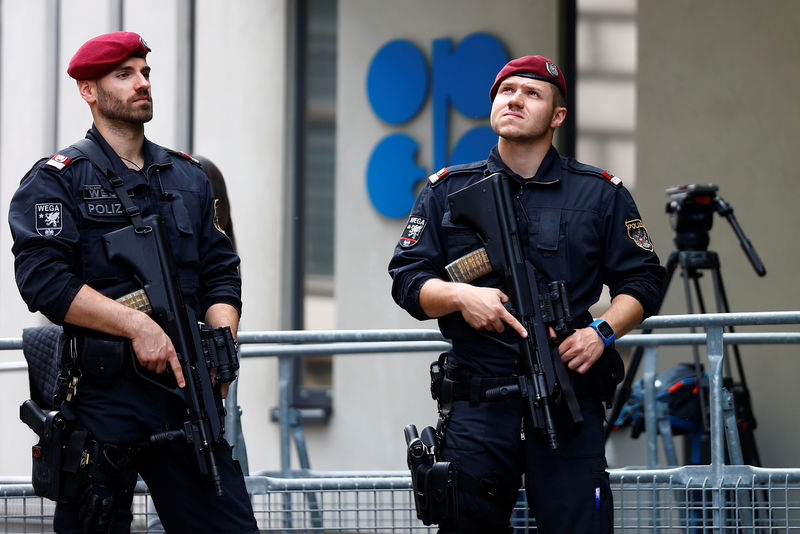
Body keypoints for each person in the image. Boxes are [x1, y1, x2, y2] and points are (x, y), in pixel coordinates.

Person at [388, 55, 666, 534]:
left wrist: (601, 331)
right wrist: (460, 297)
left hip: (566, 400)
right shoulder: (445, 190)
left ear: (557, 116)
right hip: (478, 406)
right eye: (506, 91)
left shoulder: (600, 194)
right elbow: (407, 279)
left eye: (532, 93)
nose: (514, 99)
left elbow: (643, 280)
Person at [8, 32, 258, 534]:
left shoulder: (188, 177)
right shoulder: (57, 180)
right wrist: (136, 327)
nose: (142, 82)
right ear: (89, 90)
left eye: (145, 72)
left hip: (183, 397)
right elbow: (45, 282)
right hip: (103, 400)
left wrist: (220, 341)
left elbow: (220, 272)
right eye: (124, 74)